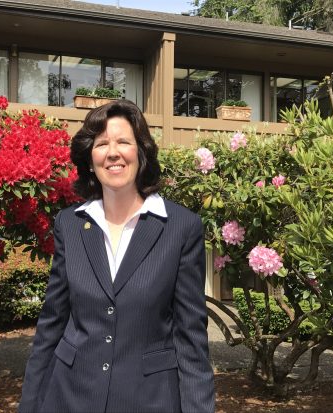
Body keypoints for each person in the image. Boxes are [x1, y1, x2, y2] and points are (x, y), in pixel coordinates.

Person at [19, 100, 215, 413]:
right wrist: (30, 405)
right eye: (101, 144)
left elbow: (190, 338)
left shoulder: (181, 227)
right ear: (90, 156)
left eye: (123, 141)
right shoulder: (69, 224)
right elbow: (52, 323)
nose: (113, 152)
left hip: (149, 399)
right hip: (70, 395)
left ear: (141, 151)